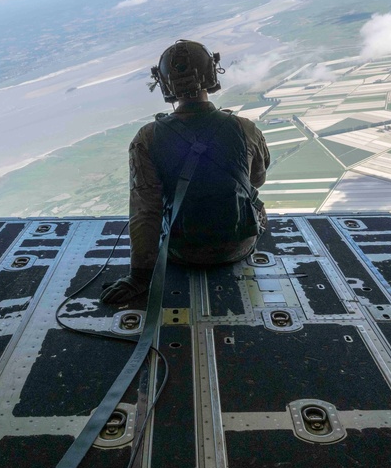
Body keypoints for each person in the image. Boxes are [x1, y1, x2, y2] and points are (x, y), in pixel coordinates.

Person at [100, 40, 271, 304]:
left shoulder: (147, 137)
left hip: (182, 251)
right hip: (240, 246)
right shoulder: (245, 128)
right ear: (211, 76)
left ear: (165, 85)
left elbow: (146, 210)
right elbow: (257, 179)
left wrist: (139, 277)